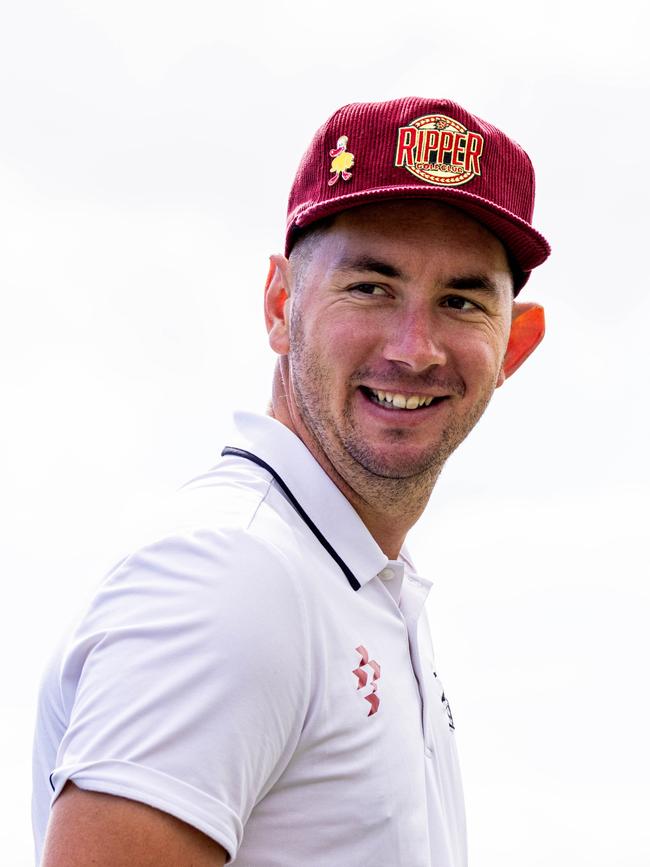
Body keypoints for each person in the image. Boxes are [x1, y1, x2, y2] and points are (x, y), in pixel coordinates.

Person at [32, 96, 550, 867]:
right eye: (370, 287)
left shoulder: (350, 581)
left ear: (516, 344)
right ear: (280, 305)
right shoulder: (233, 577)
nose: (415, 348)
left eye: (461, 301)